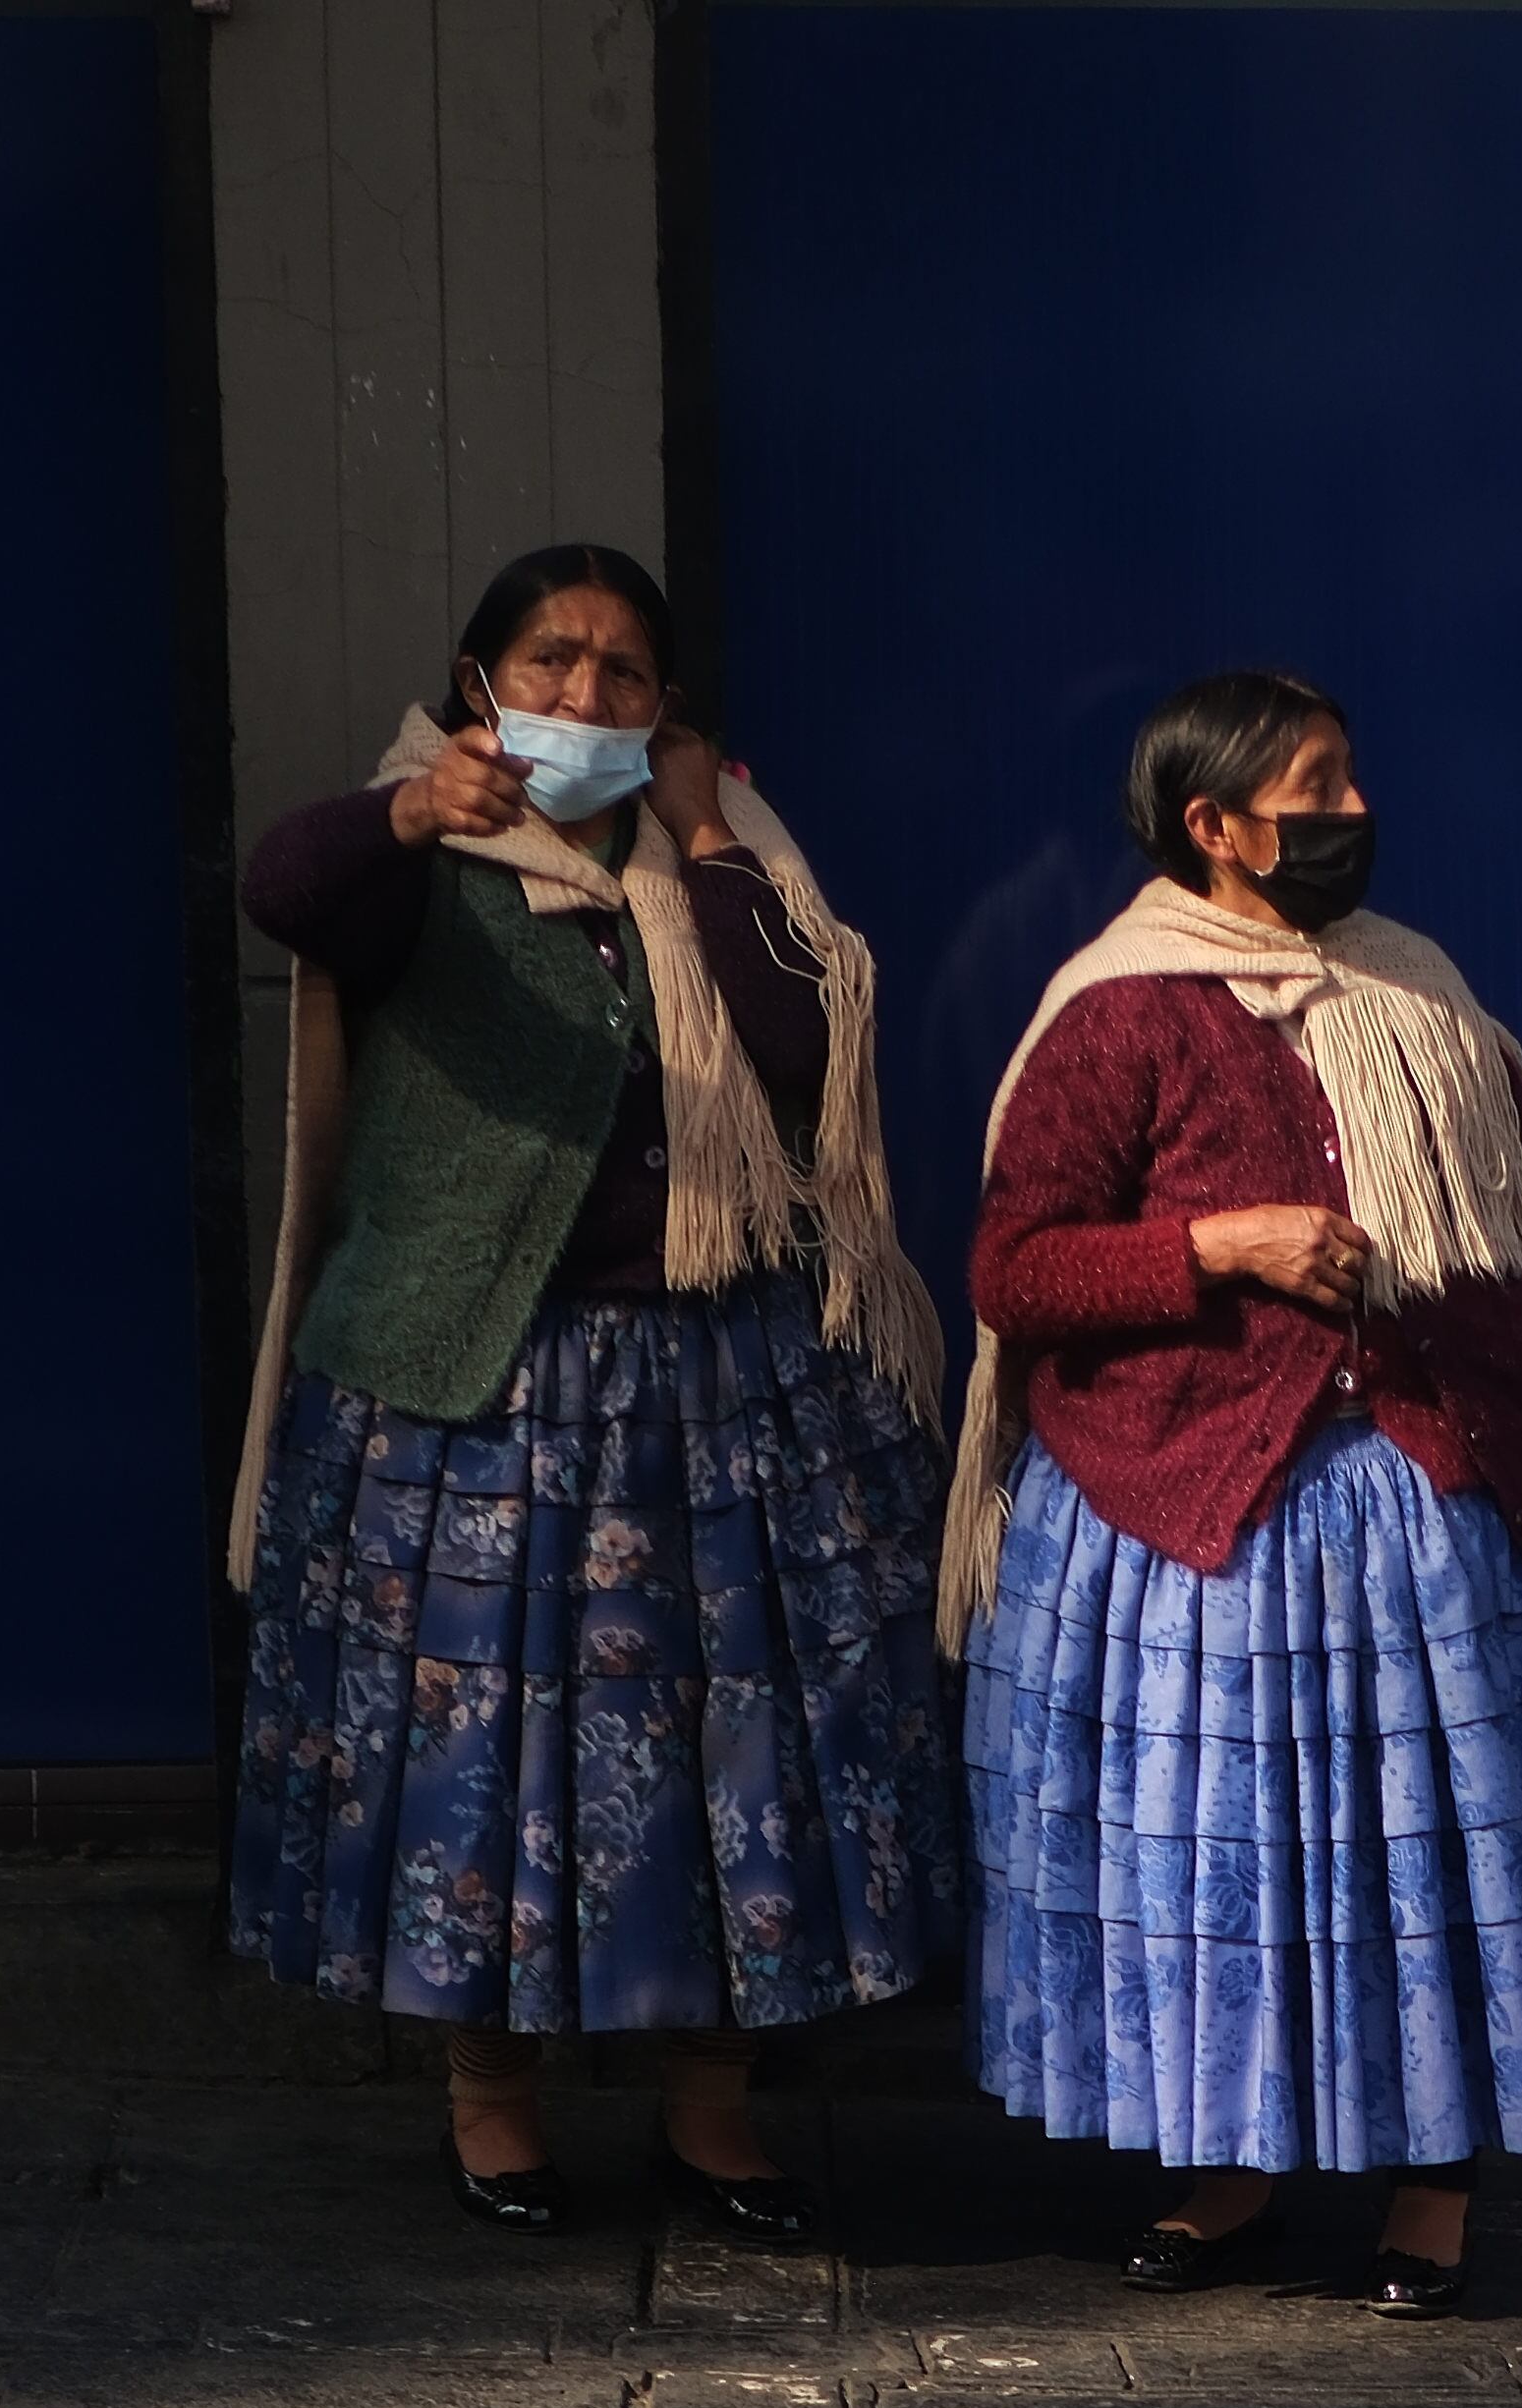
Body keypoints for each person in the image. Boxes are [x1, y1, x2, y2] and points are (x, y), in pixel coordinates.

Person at [228, 543, 955, 2241]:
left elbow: (798, 1042)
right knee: (481, 1752)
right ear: (479, 684)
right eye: (551, 661)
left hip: (723, 1391)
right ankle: (494, 2110)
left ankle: (716, 2116)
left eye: (625, 676)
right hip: (478, 1392)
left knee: (737, 1759)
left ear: (667, 712)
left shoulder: (733, 858)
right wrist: (411, 816)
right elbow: (285, 889)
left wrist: (703, 838)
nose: (584, 697)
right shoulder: (418, 848)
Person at [948, 669, 1522, 2315]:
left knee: (1429, 1858)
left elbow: (1506, 1194)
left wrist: (1437, 1137)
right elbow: (1017, 1267)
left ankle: (1436, 2183)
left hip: (1419, 1493)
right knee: (1239, 1865)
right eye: (1313, 787)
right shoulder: (1120, 1008)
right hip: (1204, 1514)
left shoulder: (1412, 986)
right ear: (1213, 827)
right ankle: (1233, 2170)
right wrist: (1224, 1243)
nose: (1348, 813)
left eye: (1350, 780)